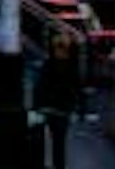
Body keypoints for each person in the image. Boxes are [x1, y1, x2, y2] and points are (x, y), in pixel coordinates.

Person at [39, 28, 85, 169]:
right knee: (57, 142)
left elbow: (41, 85)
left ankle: (56, 165)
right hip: (60, 108)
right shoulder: (70, 66)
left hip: (55, 108)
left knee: (55, 141)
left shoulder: (50, 64)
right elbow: (77, 88)